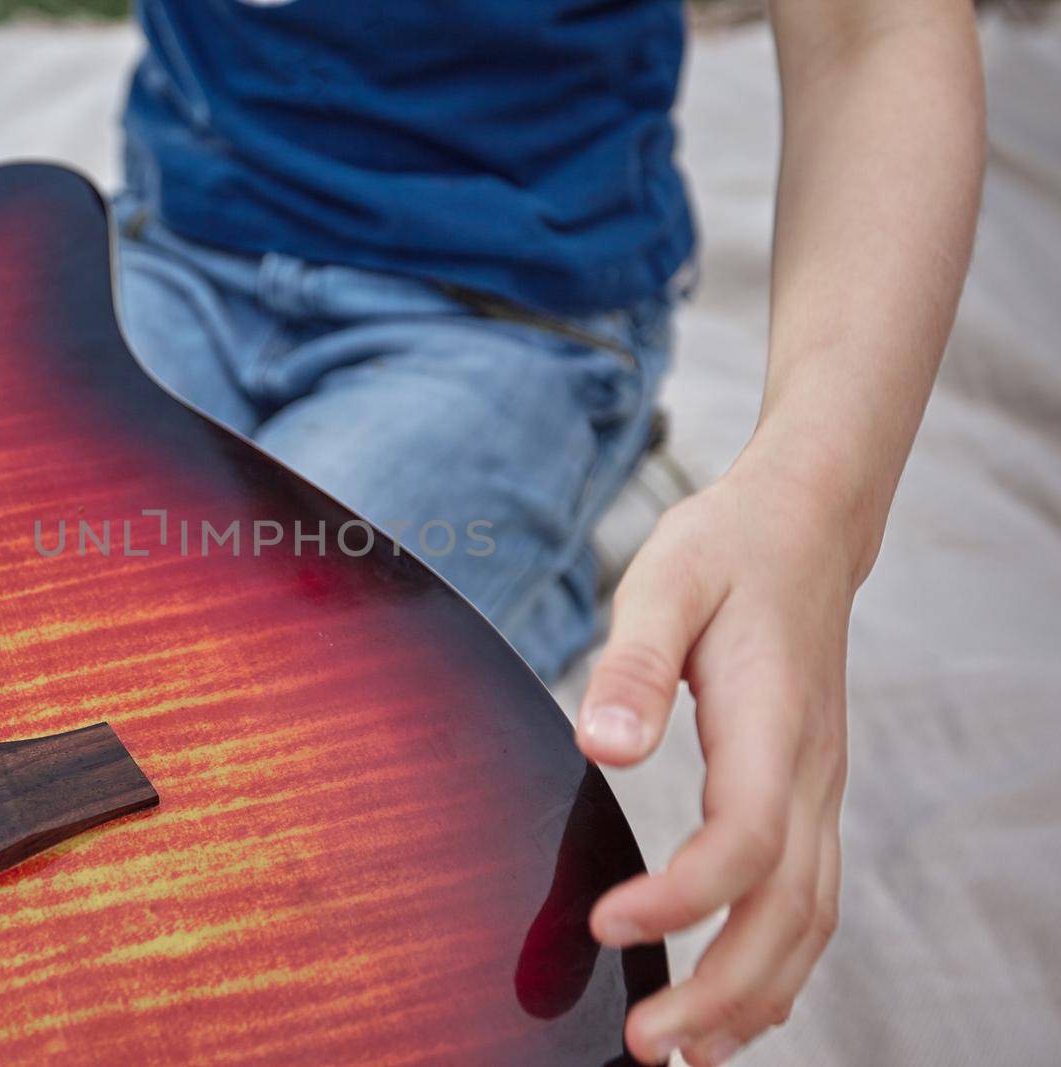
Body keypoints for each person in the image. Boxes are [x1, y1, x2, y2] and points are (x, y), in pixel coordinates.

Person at [110, 1, 984, 1062]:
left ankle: (572, 533)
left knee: (244, 750)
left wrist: (816, 509)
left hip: (506, 311)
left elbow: (869, 33)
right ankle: (560, 535)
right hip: (172, 240)